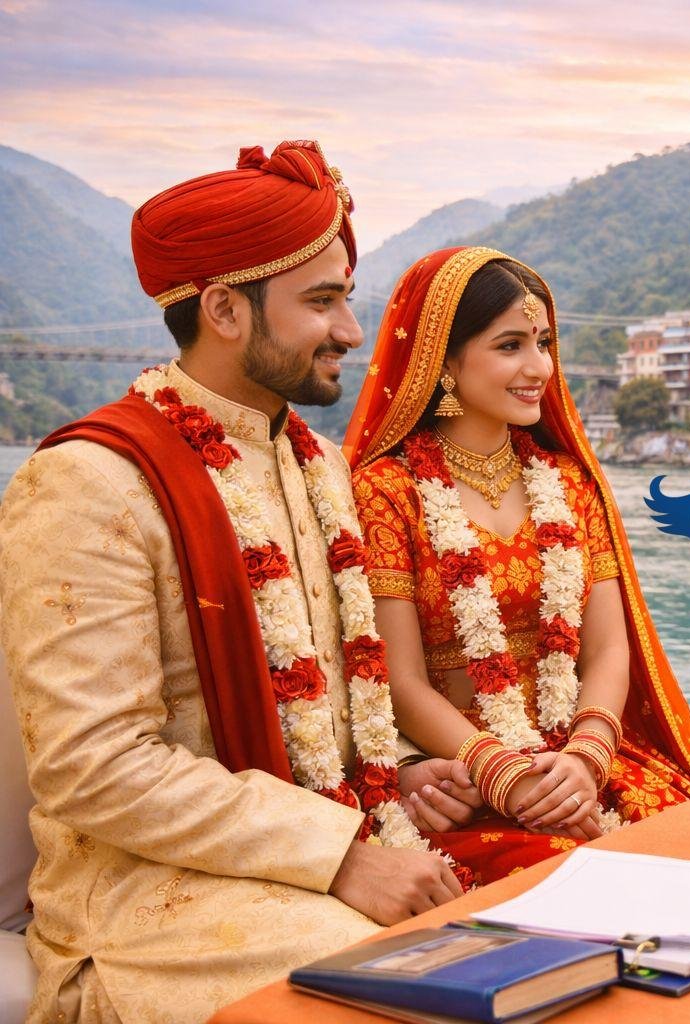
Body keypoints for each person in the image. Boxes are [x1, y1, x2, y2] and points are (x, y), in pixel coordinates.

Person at [0, 141, 478, 1024]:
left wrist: (399, 773)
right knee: (412, 989)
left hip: (324, 843)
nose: (350, 331)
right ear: (224, 308)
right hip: (144, 897)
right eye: (323, 302)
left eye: (347, 298)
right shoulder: (87, 484)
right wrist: (343, 856)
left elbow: (336, 702)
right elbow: (90, 767)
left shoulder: (320, 467)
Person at [344, 246, 690, 885]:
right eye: (510, 345)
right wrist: (504, 774)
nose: (539, 367)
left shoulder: (570, 483)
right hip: (459, 770)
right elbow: (401, 680)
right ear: (444, 361)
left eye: (545, 342)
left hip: (575, 755)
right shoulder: (388, 491)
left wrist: (587, 758)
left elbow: (607, 653)